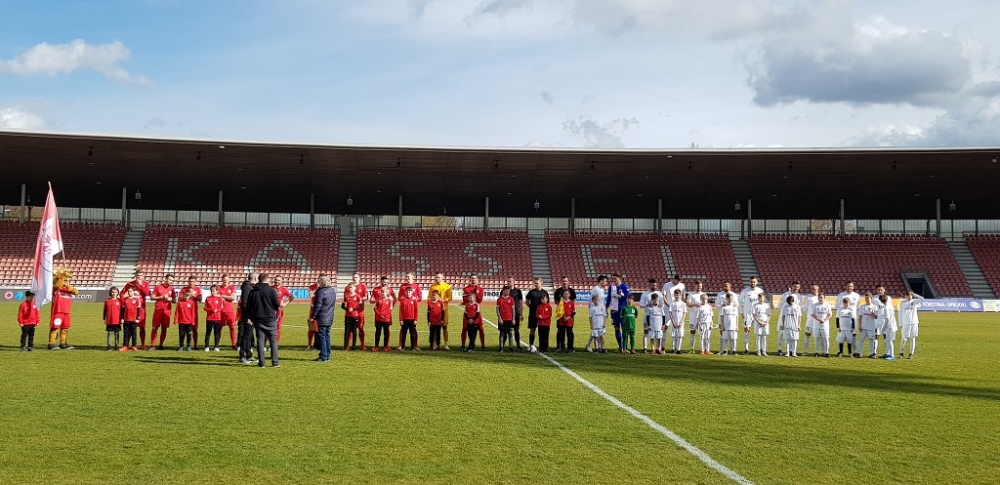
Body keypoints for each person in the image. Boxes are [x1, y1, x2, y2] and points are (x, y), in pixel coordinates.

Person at [245, 273, 282, 368]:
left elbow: (248, 306)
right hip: (270, 318)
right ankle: (275, 362)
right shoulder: (271, 291)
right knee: (273, 341)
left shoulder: (253, 291)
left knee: (260, 341)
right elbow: (277, 305)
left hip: (258, 319)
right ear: (267, 280)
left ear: (259, 280)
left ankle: (262, 363)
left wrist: (249, 317)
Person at [120, 270, 151, 349]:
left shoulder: (146, 284)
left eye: (140, 276)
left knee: (142, 327)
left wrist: (140, 285)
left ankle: (143, 344)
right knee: (130, 327)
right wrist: (124, 302)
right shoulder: (130, 284)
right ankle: (126, 345)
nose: (139, 277)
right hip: (130, 309)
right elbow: (122, 293)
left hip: (141, 309)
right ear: (135, 276)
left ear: (143, 277)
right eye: (137, 276)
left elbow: (146, 293)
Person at [309, 274, 336, 362]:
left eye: (320, 281)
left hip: (322, 317)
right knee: (327, 336)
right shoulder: (333, 291)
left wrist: (313, 317)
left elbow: (318, 306)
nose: (318, 283)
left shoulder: (321, 292)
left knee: (322, 336)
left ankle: (323, 356)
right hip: (330, 316)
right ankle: (327, 355)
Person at [48, 271, 76, 350]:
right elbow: (57, 285)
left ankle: (63, 343)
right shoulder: (56, 288)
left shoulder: (68, 289)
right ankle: (51, 343)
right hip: (58, 311)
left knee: (65, 328)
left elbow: (76, 292)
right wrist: (62, 277)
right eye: (65, 280)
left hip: (66, 312)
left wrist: (70, 288)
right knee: (55, 327)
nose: (66, 281)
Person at [149, 274, 176, 351]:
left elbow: (174, 300)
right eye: (170, 280)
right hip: (158, 310)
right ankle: (152, 345)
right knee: (155, 327)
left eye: (172, 281)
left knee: (164, 328)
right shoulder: (158, 287)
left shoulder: (172, 289)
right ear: (166, 279)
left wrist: (171, 299)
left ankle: (161, 345)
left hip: (167, 311)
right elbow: (152, 297)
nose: (171, 282)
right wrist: (161, 297)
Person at [739, 277, 764, 354]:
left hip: (757, 314)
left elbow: (762, 302)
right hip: (748, 314)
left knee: (759, 332)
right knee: (747, 331)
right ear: (749, 282)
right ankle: (746, 349)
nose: (752, 283)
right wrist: (741, 313)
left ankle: (759, 349)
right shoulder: (745, 291)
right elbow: (739, 302)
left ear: (757, 282)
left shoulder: (760, 291)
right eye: (751, 282)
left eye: (754, 282)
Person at [237, 273, 258, 364]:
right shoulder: (247, 287)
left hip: (251, 316)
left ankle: (249, 355)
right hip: (247, 316)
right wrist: (246, 318)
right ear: (255, 278)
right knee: (245, 336)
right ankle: (242, 356)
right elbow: (244, 303)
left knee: (249, 336)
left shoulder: (250, 287)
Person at [370, 276, 395, 352]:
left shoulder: (390, 294)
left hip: (386, 317)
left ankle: (386, 346)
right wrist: (379, 314)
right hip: (379, 317)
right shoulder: (376, 291)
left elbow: (392, 305)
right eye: (384, 282)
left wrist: (384, 313)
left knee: (386, 331)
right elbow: (374, 305)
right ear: (381, 282)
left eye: (387, 282)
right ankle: (376, 346)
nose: (385, 283)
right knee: (378, 332)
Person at [605, 273, 629, 352]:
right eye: (613, 279)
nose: (614, 280)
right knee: (616, 329)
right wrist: (606, 308)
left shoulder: (624, 287)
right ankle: (620, 347)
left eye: (615, 278)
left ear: (620, 278)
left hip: (623, 311)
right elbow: (609, 298)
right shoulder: (611, 287)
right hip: (614, 311)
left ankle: (625, 347)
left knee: (624, 329)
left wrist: (618, 296)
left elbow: (627, 298)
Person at [836, 282, 861, 357]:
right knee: (840, 335)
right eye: (848, 286)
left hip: (853, 319)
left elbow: (857, 307)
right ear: (846, 286)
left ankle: (854, 351)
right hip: (843, 320)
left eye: (851, 286)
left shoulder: (857, 296)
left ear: (853, 287)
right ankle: (839, 351)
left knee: (853, 335)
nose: (849, 288)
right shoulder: (841, 295)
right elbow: (838, 306)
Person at [776, 281, 801, 356]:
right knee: (781, 334)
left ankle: (790, 351)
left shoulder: (799, 296)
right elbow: (780, 306)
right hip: (784, 318)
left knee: (792, 336)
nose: (796, 288)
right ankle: (779, 349)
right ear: (791, 286)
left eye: (798, 287)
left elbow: (798, 309)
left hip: (793, 319)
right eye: (795, 286)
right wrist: (785, 315)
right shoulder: (785, 295)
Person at [429, 273, 453, 350]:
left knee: (445, 327)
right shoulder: (432, 286)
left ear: (442, 277)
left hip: (444, 310)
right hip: (435, 311)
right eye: (436, 277)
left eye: (438, 277)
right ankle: (435, 344)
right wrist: (432, 302)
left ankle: (446, 344)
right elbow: (429, 297)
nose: (437, 278)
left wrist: (444, 300)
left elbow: (450, 297)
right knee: (435, 328)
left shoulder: (447, 286)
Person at [639, 279, 663, 353]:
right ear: (649, 285)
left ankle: (658, 348)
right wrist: (647, 305)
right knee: (646, 331)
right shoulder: (645, 294)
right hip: (647, 316)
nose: (654, 287)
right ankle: (645, 348)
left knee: (657, 332)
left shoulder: (659, 294)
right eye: (653, 285)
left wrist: (660, 305)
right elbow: (641, 305)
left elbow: (662, 304)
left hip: (657, 317)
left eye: (655, 285)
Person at [525, 278, 549, 351]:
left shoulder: (545, 293)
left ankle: (544, 347)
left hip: (542, 316)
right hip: (533, 315)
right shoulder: (531, 292)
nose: (535, 285)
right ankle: (531, 345)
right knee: (532, 330)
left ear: (541, 283)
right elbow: (527, 302)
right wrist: (532, 308)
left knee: (542, 331)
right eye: (534, 283)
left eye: (537, 283)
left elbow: (547, 304)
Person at [898, 291, 923, 359]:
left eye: (910, 295)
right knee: (904, 338)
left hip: (914, 322)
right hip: (906, 323)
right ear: (905, 296)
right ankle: (901, 353)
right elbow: (900, 313)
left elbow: (922, 299)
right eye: (907, 295)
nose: (909, 296)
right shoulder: (902, 303)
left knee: (913, 338)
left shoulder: (915, 302)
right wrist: (900, 323)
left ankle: (911, 353)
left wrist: (914, 294)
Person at [462, 275, 486, 349]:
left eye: (475, 278)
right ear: (470, 279)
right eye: (472, 278)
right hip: (468, 311)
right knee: (464, 328)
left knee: (481, 328)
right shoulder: (465, 289)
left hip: (476, 312)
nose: (473, 279)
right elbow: (464, 300)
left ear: (477, 279)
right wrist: (470, 297)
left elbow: (480, 300)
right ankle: (463, 345)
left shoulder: (480, 289)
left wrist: (476, 293)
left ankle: (483, 346)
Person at [273, 275, 295, 346]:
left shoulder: (284, 290)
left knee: (278, 327)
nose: (276, 281)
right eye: (276, 280)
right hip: (270, 311)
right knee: (268, 327)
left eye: (278, 280)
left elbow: (292, 297)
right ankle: (264, 344)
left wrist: (285, 304)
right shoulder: (270, 288)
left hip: (279, 311)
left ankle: (275, 344)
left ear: (282, 281)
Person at [217, 274, 238, 349]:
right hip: (220, 311)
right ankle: (216, 344)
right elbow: (216, 297)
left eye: (226, 279)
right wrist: (227, 297)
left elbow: (233, 297)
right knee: (219, 328)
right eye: (224, 279)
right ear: (222, 280)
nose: (225, 281)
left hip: (230, 311)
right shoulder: (218, 288)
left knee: (232, 327)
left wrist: (222, 296)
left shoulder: (232, 288)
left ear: (229, 280)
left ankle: (234, 344)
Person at [183, 276, 204, 350]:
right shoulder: (184, 289)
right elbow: (179, 298)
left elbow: (200, 299)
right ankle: (185, 345)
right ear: (188, 282)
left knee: (194, 329)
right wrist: (186, 296)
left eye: (193, 281)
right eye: (190, 281)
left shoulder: (198, 289)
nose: (191, 283)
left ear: (195, 282)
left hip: (194, 312)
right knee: (185, 330)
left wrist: (193, 295)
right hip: (185, 312)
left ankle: (195, 345)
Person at [685, 280, 705, 353]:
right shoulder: (691, 294)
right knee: (692, 332)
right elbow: (688, 304)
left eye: (700, 286)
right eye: (698, 286)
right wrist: (694, 304)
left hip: (701, 317)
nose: (699, 287)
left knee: (702, 333)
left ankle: (702, 349)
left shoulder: (703, 294)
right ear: (695, 286)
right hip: (693, 316)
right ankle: (692, 349)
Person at [589, 276, 609, 352]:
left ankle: (600, 347)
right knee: (595, 331)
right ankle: (590, 345)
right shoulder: (595, 289)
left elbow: (602, 302)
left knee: (600, 331)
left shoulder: (602, 290)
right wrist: (592, 311)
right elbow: (591, 300)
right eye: (605, 281)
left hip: (601, 311)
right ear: (601, 281)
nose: (606, 283)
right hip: (596, 312)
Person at [341, 283, 363, 351]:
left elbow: (361, 306)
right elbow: (342, 306)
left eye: (352, 287)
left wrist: (353, 309)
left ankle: (354, 346)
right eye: (349, 287)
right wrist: (347, 309)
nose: (351, 289)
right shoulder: (346, 296)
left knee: (354, 331)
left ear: (355, 288)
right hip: (347, 316)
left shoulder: (357, 296)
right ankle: (346, 346)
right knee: (346, 331)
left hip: (355, 316)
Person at [397, 286, 419, 351]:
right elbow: (400, 311)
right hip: (404, 319)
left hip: (412, 319)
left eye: (409, 292)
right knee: (404, 333)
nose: (408, 293)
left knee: (412, 333)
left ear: (412, 292)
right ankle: (402, 347)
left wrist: (416, 319)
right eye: (407, 292)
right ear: (405, 292)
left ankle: (413, 347)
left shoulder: (414, 300)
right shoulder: (403, 300)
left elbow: (416, 310)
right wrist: (401, 319)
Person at [203, 285, 224, 351]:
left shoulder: (219, 299)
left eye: (213, 291)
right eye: (211, 291)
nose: (212, 292)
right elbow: (205, 308)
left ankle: (216, 347)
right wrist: (211, 310)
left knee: (216, 333)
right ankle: (206, 347)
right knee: (208, 333)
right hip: (209, 319)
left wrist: (217, 310)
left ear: (217, 291)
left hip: (217, 319)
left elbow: (221, 308)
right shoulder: (208, 298)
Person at [120, 287, 142, 352]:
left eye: (131, 291)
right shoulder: (125, 299)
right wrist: (122, 318)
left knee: (134, 333)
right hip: (126, 319)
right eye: (128, 291)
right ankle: (125, 346)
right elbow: (123, 310)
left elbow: (139, 309)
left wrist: (138, 318)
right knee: (126, 333)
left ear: (134, 292)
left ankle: (134, 346)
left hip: (133, 320)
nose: (129, 292)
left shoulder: (137, 299)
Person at [811, 293, 832, 357]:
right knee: (817, 339)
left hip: (825, 326)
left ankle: (826, 352)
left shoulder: (827, 305)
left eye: (821, 298)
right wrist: (818, 319)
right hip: (816, 325)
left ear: (824, 298)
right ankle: (816, 352)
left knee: (826, 339)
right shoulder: (815, 305)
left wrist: (824, 320)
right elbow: (812, 314)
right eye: (819, 297)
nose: (820, 299)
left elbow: (830, 315)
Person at [801, 285, 821, 356]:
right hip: (810, 320)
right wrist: (809, 314)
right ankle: (805, 351)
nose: (812, 290)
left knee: (818, 335)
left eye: (814, 289)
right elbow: (804, 308)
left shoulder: (821, 297)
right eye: (812, 289)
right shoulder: (808, 297)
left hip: (818, 320)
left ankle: (817, 351)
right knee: (807, 334)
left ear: (818, 289)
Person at [715, 282, 735, 352]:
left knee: (732, 334)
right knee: (721, 332)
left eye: (726, 286)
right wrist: (722, 305)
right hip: (722, 316)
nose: (725, 287)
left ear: (730, 286)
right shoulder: (720, 294)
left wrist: (730, 307)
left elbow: (736, 305)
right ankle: (722, 349)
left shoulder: (734, 295)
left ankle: (732, 350)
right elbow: (716, 304)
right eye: (724, 286)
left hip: (731, 317)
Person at [859, 293, 880, 358]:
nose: (866, 299)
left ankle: (872, 353)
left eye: (868, 298)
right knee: (861, 339)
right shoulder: (862, 307)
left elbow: (876, 317)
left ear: (871, 298)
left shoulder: (875, 307)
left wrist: (872, 313)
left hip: (871, 327)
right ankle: (859, 352)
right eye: (865, 298)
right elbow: (860, 317)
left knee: (871, 340)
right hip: (863, 326)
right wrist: (859, 325)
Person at [876, 295, 896, 360]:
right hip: (892, 324)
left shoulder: (886, 308)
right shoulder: (890, 305)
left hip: (890, 326)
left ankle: (892, 355)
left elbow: (887, 320)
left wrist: (883, 328)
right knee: (887, 340)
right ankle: (887, 353)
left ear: (881, 301)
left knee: (889, 340)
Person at [496, 286, 515, 352]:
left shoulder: (511, 299)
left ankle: (511, 347)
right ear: (503, 291)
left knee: (510, 333)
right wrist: (499, 318)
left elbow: (513, 310)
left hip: (509, 319)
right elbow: (497, 309)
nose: (508, 293)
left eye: (509, 291)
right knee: (502, 333)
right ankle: (501, 347)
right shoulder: (499, 299)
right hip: (502, 319)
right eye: (507, 291)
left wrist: (513, 319)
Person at [508, 276, 524, 352]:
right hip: (508, 313)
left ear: (514, 282)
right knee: (508, 330)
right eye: (508, 281)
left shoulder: (518, 291)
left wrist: (521, 313)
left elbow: (520, 303)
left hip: (516, 312)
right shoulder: (505, 291)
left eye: (510, 281)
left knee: (516, 330)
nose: (509, 282)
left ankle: (518, 346)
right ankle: (509, 346)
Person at [103, 287, 123, 351]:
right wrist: (104, 318)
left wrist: (122, 318)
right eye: (113, 292)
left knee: (116, 333)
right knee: (109, 333)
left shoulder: (119, 301)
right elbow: (105, 310)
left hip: (117, 320)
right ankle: (109, 346)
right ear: (110, 293)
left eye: (115, 292)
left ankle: (116, 346)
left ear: (117, 293)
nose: (114, 293)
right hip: (109, 320)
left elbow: (122, 311)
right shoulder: (107, 301)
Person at [667, 289, 686, 354]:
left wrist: (681, 322)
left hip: (680, 323)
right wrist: (673, 322)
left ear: (680, 295)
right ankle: (673, 349)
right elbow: (670, 313)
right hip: (673, 323)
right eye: (675, 295)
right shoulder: (672, 303)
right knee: (673, 336)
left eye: (678, 295)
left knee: (680, 336)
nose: (676, 296)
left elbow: (684, 313)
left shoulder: (683, 304)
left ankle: (678, 349)